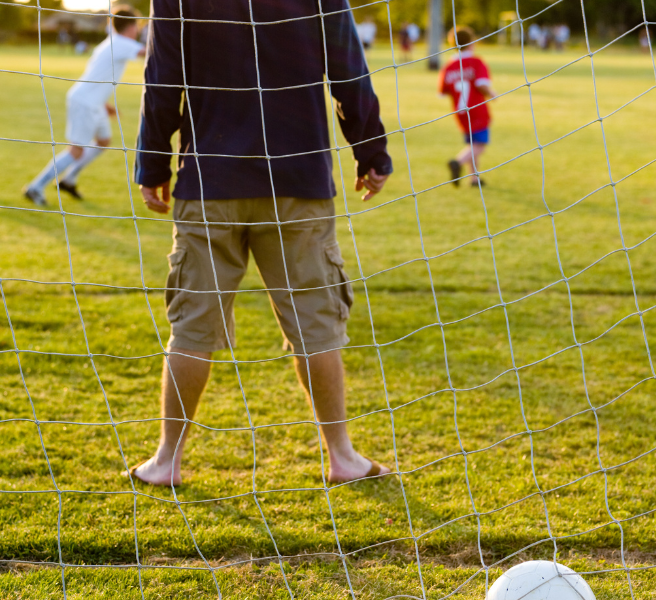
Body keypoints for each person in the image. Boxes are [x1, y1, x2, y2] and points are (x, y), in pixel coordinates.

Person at [130, 0, 393, 487]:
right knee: (316, 325)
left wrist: (151, 165)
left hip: (210, 182)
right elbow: (350, 73)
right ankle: (342, 455)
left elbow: (161, 81)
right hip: (297, 182)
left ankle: (167, 460)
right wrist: (371, 151)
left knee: (192, 327)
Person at [23, 7, 145, 206]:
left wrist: (105, 104)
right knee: (76, 150)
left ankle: (68, 180)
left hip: (94, 103)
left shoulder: (111, 43)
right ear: (131, 26)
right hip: (85, 102)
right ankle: (35, 187)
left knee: (103, 141)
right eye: (138, 26)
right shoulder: (121, 42)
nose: (138, 30)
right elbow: (148, 52)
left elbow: (97, 76)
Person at [439, 26, 496, 188]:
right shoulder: (476, 62)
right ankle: (457, 162)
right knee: (479, 146)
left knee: (472, 144)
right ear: (472, 42)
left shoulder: (449, 66)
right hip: (477, 109)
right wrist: (492, 93)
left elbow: (443, 91)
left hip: (460, 111)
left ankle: (474, 179)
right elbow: (481, 84)